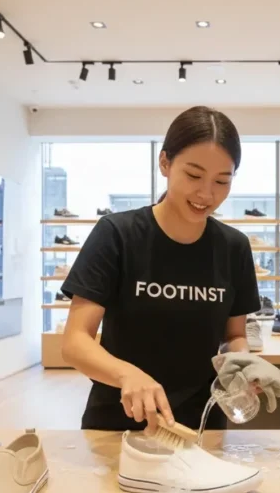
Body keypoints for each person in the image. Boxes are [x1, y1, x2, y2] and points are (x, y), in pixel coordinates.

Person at [61, 106, 260, 433]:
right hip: (119, 422)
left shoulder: (233, 247)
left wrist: (243, 365)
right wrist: (127, 375)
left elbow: (234, 336)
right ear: (165, 163)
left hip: (201, 426)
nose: (206, 194)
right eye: (194, 175)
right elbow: (74, 342)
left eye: (222, 181)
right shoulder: (117, 234)